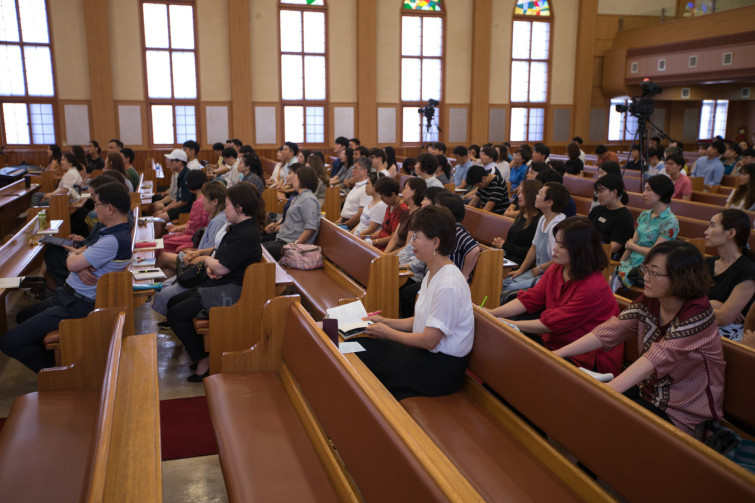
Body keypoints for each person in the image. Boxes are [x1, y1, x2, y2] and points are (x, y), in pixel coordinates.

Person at [554, 241, 725, 435]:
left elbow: (659, 356)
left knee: (602, 418)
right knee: (583, 403)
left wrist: (608, 390)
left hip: (683, 412)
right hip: (648, 393)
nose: (645, 277)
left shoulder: (697, 313)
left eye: (654, 272)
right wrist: (557, 354)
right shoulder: (652, 299)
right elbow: (613, 329)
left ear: (681, 277)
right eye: (646, 269)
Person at [1, 182, 132, 372]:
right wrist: (79, 261)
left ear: (110, 208)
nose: (95, 208)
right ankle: (60, 358)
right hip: (69, 295)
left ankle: (58, 371)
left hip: (78, 305)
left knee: (9, 342)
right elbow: (81, 256)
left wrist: (74, 257)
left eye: (96, 204)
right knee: (23, 315)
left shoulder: (112, 240)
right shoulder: (113, 232)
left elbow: (71, 263)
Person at [355, 205, 474, 400]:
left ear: (435, 242)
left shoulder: (449, 284)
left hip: (440, 369)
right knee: (362, 345)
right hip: (425, 355)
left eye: (416, 237)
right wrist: (385, 321)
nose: (411, 243)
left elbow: (429, 340)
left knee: (370, 360)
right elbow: (419, 320)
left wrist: (388, 333)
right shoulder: (433, 271)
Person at [489, 217, 623, 375]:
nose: (554, 249)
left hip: (585, 357)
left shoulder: (593, 285)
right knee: (505, 348)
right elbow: (531, 299)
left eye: (562, 245)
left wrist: (509, 323)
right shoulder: (558, 268)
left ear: (580, 250)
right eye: (556, 242)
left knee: (515, 360)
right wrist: (492, 313)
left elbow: (554, 323)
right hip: (556, 341)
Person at [167, 183, 264, 381]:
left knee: (176, 314)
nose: (225, 209)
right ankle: (201, 353)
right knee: (173, 303)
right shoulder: (236, 228)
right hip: (220, 284)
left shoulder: (246, 234)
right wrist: (213, 265)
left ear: (239, 208)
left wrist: (208, 262)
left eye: (227, 205)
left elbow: (222, 267)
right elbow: (221, 257)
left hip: (232, 291)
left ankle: (204, 359)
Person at [501, 182, 569, 296]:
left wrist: (541, 268)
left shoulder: (558, 226)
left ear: (549, 202)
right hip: (538, 271)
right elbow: (533, 247)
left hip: (551, 275)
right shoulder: (543, 219)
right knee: (505, 283)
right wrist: (521, 270)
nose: (536, 196)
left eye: (540, 194)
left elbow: (559, 259)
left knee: (509, 288)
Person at [614, 175, 679, 290]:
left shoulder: (670, 221)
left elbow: (655, 252)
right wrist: (620, 263)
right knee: (609, 273)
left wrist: (632, 246)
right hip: (631, 263)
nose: (644, 194)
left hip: (648, 267)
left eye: (648, 190)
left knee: (613, 281)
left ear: (661, 192)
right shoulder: (644, 215)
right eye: (644, 189)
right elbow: (630, 244)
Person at [704, 209, 755, 342]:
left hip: (728, 336)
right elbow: (681, 297)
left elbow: (724, 318)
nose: (706, 232)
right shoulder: (706, 263)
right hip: (701, 324)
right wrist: (714, 304)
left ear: (731, 233)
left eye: (712, 226)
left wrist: (697, 304)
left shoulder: (748, 270)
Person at [263, 166, 321, 261]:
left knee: (256, 251)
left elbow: (310, 228)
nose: (293, 180)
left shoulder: (308, 199)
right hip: (284, 241)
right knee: (255, 245)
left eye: (295, 177)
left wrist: (294, 246)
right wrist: (275, 229)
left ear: (303, 179)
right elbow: (292, 222)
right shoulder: (299, 197)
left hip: (291, 246)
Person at [492, 180, 543, 266]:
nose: (518, 196)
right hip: (509, 257)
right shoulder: (522, 215)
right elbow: (514, 241)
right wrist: (500, 243)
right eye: (519, 193)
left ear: (532, 195)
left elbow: (532, 251)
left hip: (520, 263)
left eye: (523, 193)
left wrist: (505, 245)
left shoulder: (539, 220)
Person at [160, 170, 210, 254]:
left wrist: (179, 228)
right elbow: (193, 223)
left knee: (163, 243)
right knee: (164, 238)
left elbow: (194, 227)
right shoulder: (201, 199)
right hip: (193, 234)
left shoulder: (199, 203)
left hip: (195, 238)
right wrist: (177, 228)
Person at [588, 175, 634, 260]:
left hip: (604, 257)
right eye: (597, 192)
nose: (598, 195)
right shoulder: (597, 210)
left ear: (614, 192)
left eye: (601, 191)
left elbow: (614, 247)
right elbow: (585, 231)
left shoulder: (624, 216)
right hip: (590, 249)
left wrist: (587, 251)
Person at [371, 177, 420, 253]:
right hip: (382, 245)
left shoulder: (402, 209)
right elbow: (384, 229)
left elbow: (395, 238)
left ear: (393, 194)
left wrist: (374, 242)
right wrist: (369, 237)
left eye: (383, 197)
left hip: (390, 248)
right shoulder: (390, 205)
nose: (381, 199)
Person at [154, 149, 194, 235]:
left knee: (157, 219)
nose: (169, 162)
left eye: (171, 160)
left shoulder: (186, 176)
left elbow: (184, 201)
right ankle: (162, 238)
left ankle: (156, 242)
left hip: (186, 209)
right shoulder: (181, 174)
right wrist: (168, 207)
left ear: (179, 162)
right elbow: (179, 197)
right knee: (156, 214)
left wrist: (168, 207)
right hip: (182, 206)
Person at [351, 172, 387, 237]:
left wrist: (354, 237)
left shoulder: (381, 205)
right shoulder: (369, 200)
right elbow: (361, 224)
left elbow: (371, 230)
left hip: (364, 239)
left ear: (376, 185)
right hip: (356, 236)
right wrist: (350, 233)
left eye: (367, 183)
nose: (365, 187)